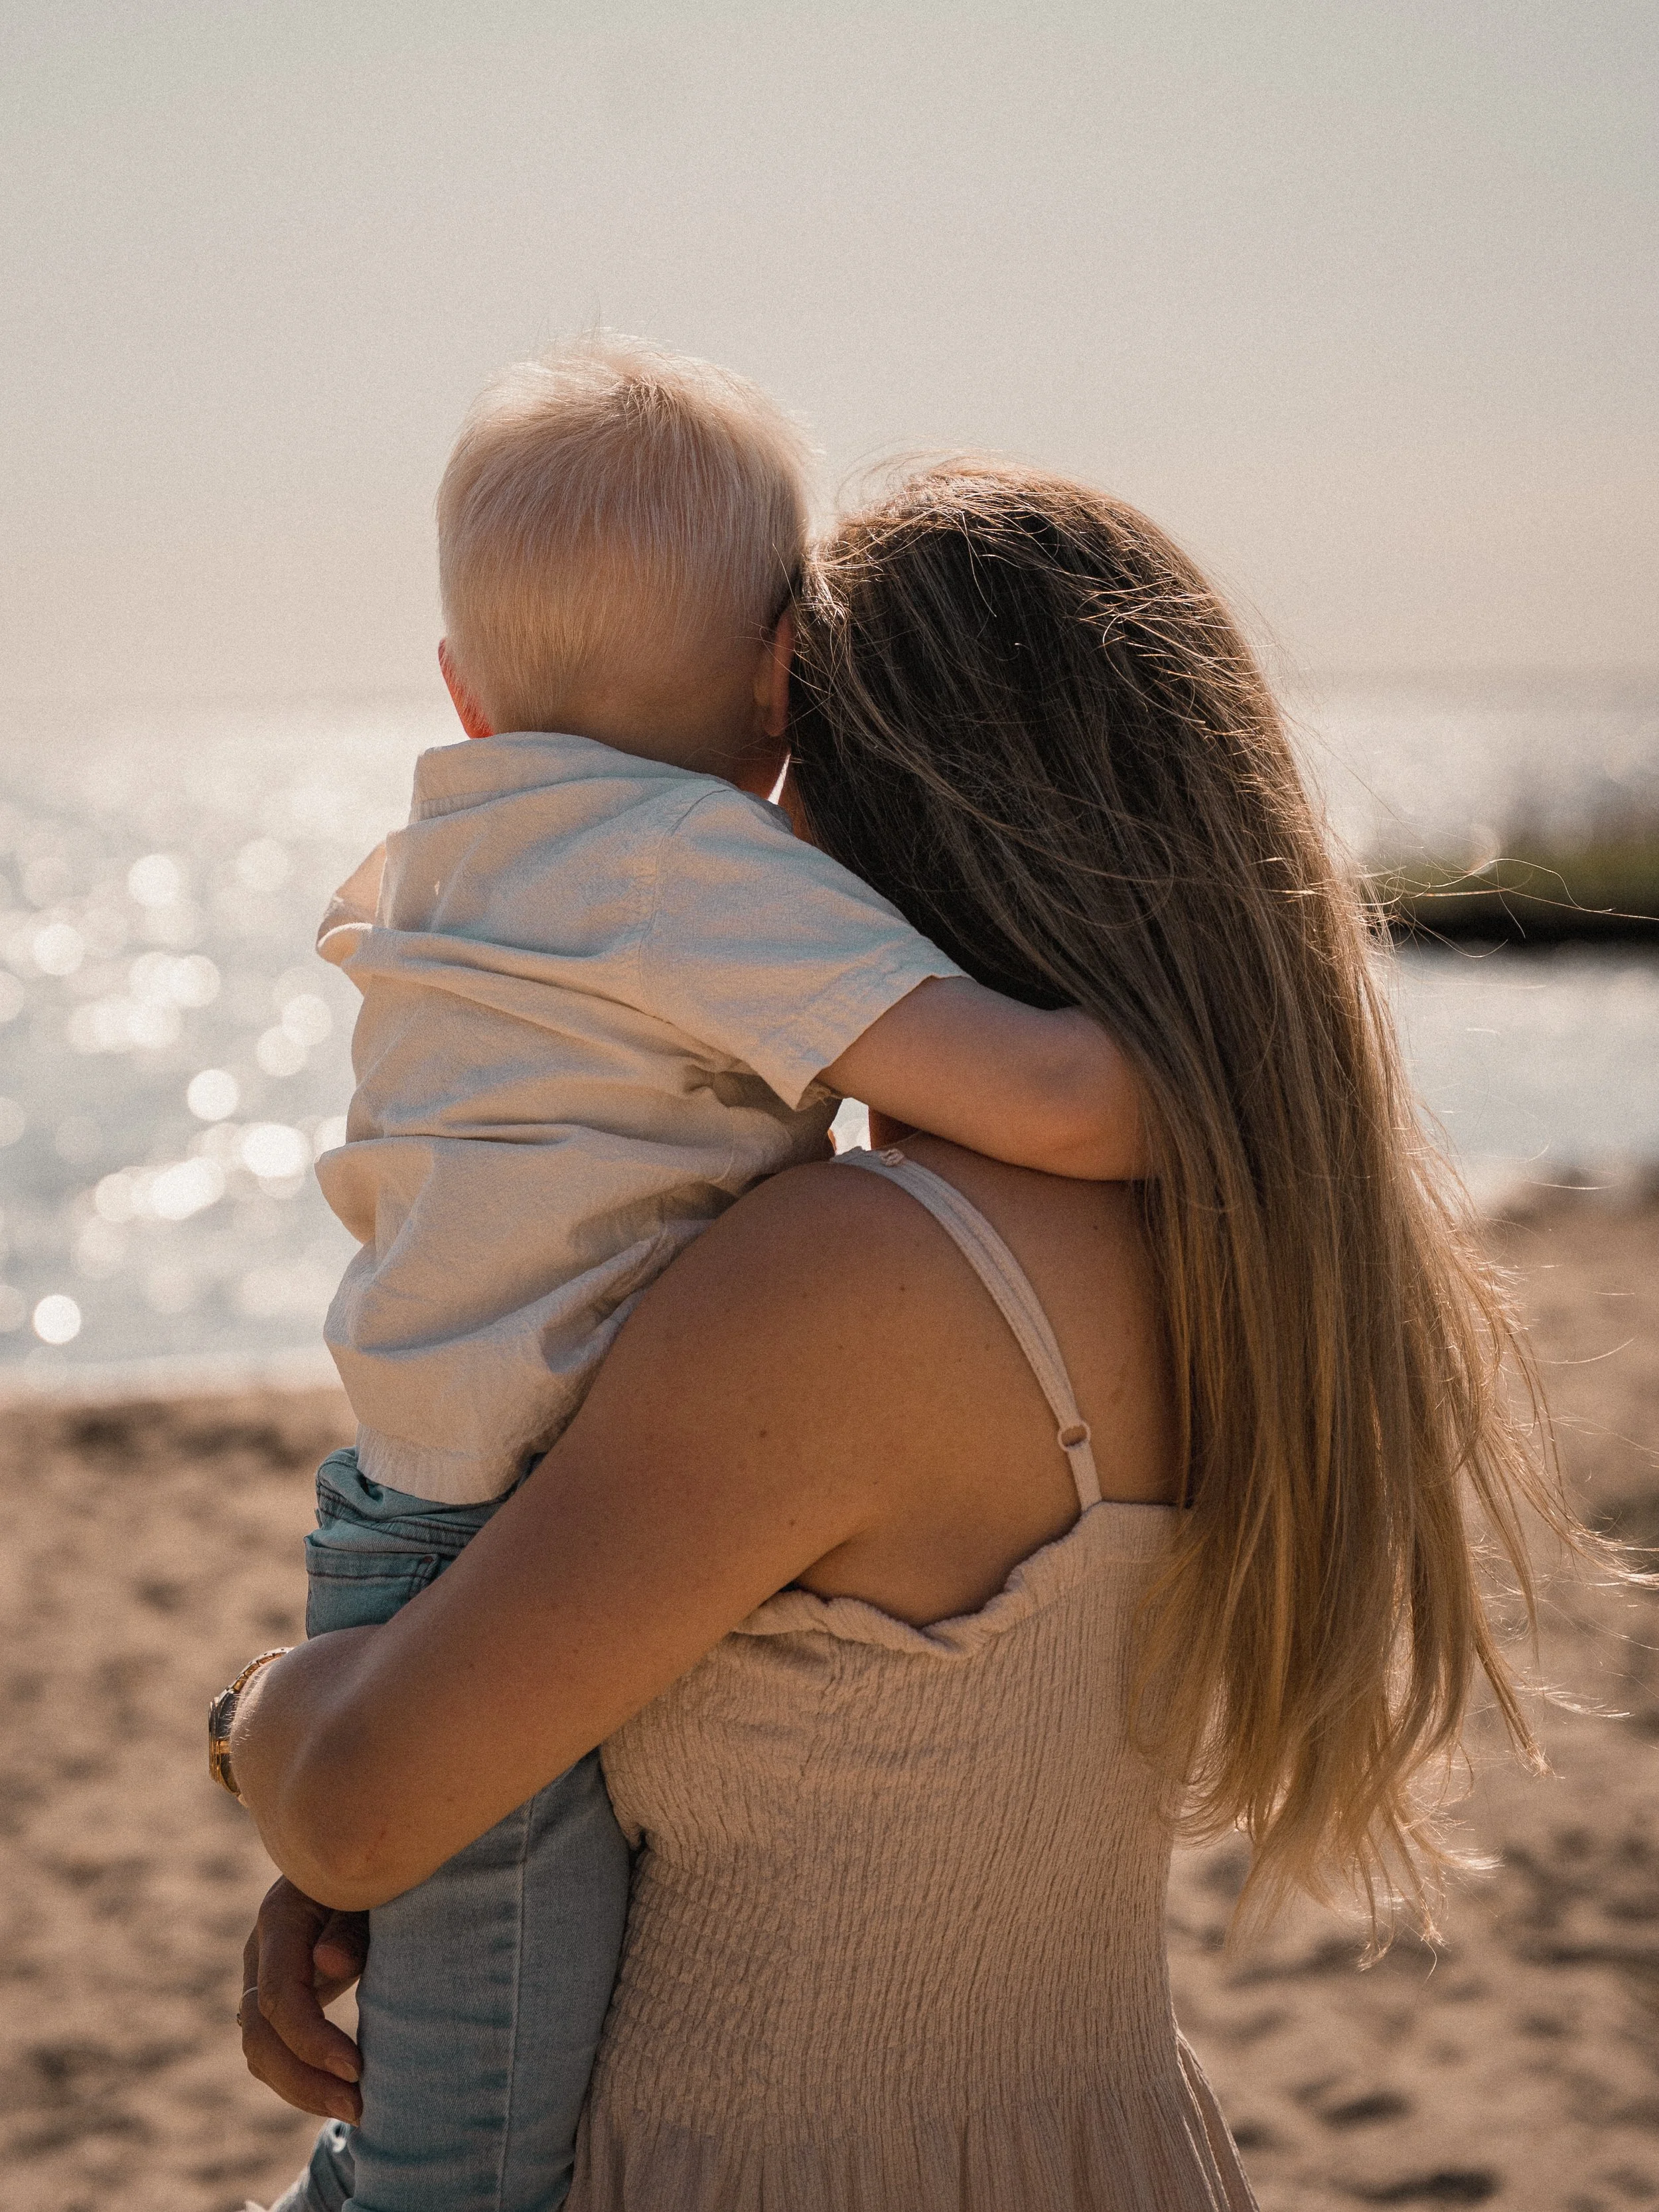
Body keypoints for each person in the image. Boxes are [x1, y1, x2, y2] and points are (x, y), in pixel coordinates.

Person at [232, 463, 1575, 2211]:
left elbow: (357, 1799)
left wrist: (264, 1719)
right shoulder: (1249, 1242)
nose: (749, 841)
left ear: (877, 810)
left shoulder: (856, 1278)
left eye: (774, 779)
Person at [223, 346, 1147, 2212]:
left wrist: (276, 1725)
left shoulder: (451, 859)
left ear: (462, 690)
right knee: (463, 2155)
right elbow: (1059, 1098)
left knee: (445, 2121)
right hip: (493, 1539)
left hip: (415, 1522)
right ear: (785, 670)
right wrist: (1230, 1055)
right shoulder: (691, 874)